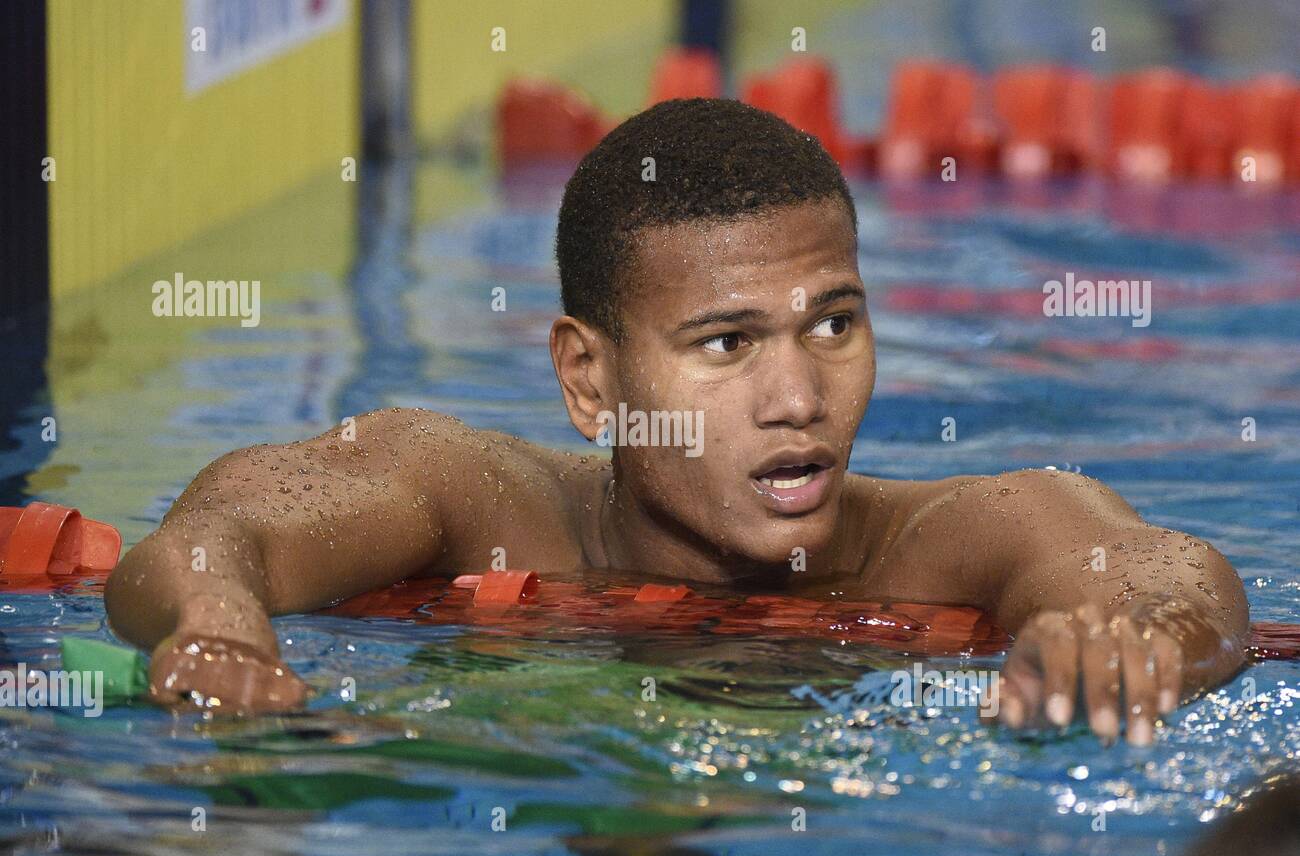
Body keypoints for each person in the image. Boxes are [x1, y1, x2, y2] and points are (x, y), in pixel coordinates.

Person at [105, 98, 1249, 743]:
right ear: (589, 378)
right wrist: (214, 618)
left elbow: (1170, 571)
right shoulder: (470, 497)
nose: (798, 397)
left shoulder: (961, 535)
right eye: (727, 343)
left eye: (834, 324)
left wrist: (1129, 644)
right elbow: (218, 526)